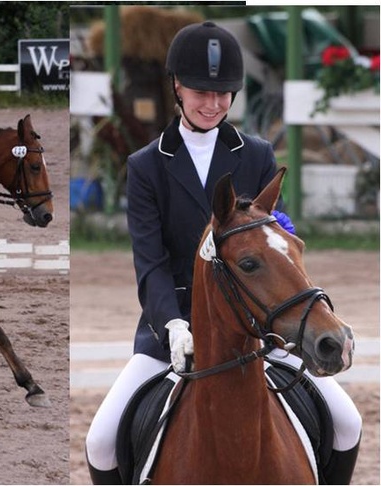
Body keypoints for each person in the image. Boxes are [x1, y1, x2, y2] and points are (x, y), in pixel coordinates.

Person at [85, 21, 362, 484]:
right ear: (177, 86)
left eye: (223, 93)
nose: (212, 104)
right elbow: (151, 264)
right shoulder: (146, 166)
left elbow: (275, 246)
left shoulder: (256, 155)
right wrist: (172, 324)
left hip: (258, 327)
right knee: (100, 440)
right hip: (174, 332)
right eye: (201, 92)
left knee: (348, 422)